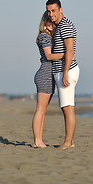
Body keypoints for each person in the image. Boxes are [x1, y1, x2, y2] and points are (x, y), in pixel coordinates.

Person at [46, 0, 80, 150]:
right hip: (61, 71)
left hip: (66, 71)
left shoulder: (65, 25)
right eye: (48, 11)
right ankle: (70, 141)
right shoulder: (58, 26)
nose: (51, 14)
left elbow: (70, 51)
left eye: (53, 10)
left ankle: (67, 142)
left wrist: (65, 73)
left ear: (60, 10)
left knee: (68, 107)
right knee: (65, 107)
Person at [32, 11, 64, 148]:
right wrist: (66, 54)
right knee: (40, 110)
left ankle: (38, 140)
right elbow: (49, 56)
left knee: (42, 111)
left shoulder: (47, 36)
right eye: (48, 21)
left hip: (47, 75)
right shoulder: (44, 36)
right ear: (44, 22)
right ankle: (37, 141)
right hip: (45, 75)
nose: (51, 23)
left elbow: (45, 56)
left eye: (52, 21)